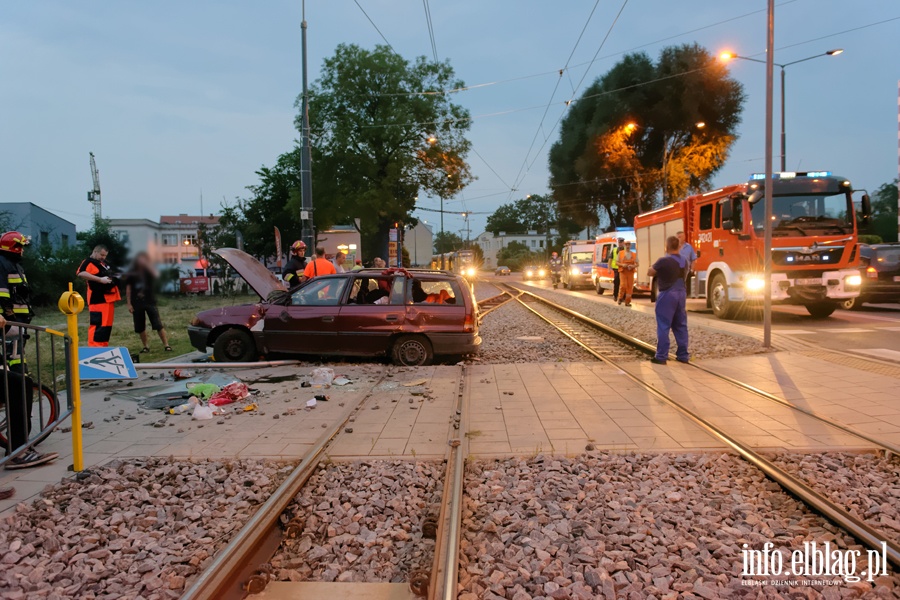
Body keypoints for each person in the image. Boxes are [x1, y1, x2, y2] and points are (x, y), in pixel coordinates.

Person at [0, 232, 58, 470]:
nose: (23, 250)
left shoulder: (12, 264)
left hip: (14, 328)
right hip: (10, 327)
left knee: (19, 380)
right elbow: (4, 294)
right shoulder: (4, 264)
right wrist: (6, 317)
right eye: (20, 246)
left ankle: (19, 448)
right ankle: (17, 451)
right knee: (17, 383)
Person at [648, 236, 689, 365]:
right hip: (681, 293)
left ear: (667, 247)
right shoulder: (684, 261)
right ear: (679, 246)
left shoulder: (663, 261)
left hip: (667, 294)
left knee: (663, 325)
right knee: (681, 325)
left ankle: (661, 356)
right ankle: (683, 355)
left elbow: (650, 272)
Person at [125, 252, 172, 353]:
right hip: (136, 303)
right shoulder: (131, 273)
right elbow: (128, 289)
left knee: (158, 324)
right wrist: (129, 303)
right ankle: (146, 346)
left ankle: (166, 345)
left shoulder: (149, 271)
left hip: (150, 301)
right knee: (140, 326)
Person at [77, 245, 121, 347]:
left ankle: (103, 347)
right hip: (97, 299)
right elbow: (81, 273)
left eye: (105, 255)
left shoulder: (103, 263)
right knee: (98, 325)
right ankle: (94, 348)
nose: (103, 257)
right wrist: (100, 280)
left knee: (106, 326)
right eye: (101, 255)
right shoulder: (88, 262)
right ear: (95, 251)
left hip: (108, 298)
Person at [616, 241, 638, 307]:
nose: (627, 246)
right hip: (623, 271)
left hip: (630, 272)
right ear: (624, 246)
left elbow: (637, 264)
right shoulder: (620, 253)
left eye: (628, 245)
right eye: (626, 245)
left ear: (630, 246)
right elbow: (616, 263)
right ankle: (620, 298)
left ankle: (627, 301)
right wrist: (622, 265)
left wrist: (632, 266)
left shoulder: (634, 254)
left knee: (629, 287)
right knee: (623, 285)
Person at [677, 231, 698, 296]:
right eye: (677, 237)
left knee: (686, 286)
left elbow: (693, 259)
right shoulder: (674, 248)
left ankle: (685, 295)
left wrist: (692, 269)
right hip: (676, 271)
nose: (679, 238)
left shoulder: (689, 247)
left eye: (680, 237)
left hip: (687, 271)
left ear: (684, 237)